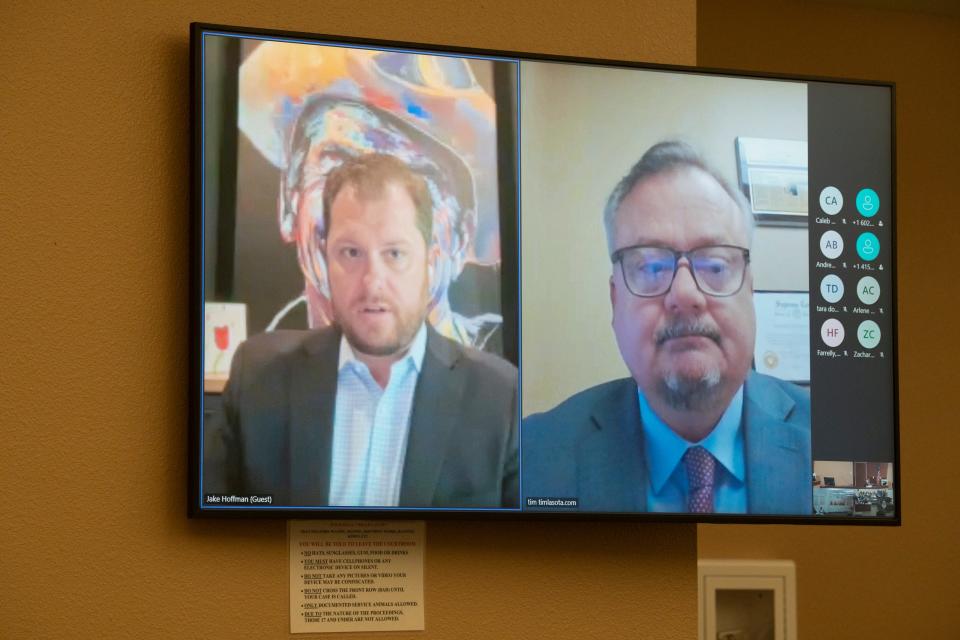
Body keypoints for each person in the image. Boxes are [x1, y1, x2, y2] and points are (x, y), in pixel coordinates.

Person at [204, 153, 518, 508]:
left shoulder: (500, 398)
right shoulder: (258, 377)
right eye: (351, 253)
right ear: (324, 258)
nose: (372, 283)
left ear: (431, 261)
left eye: (395, 254)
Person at [522, 141, 811, 515]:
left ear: (749, 291)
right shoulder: (532, 458)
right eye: (651, 267)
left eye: (716, 265)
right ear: (615, 301)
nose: (685, 294)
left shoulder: (843, 444)